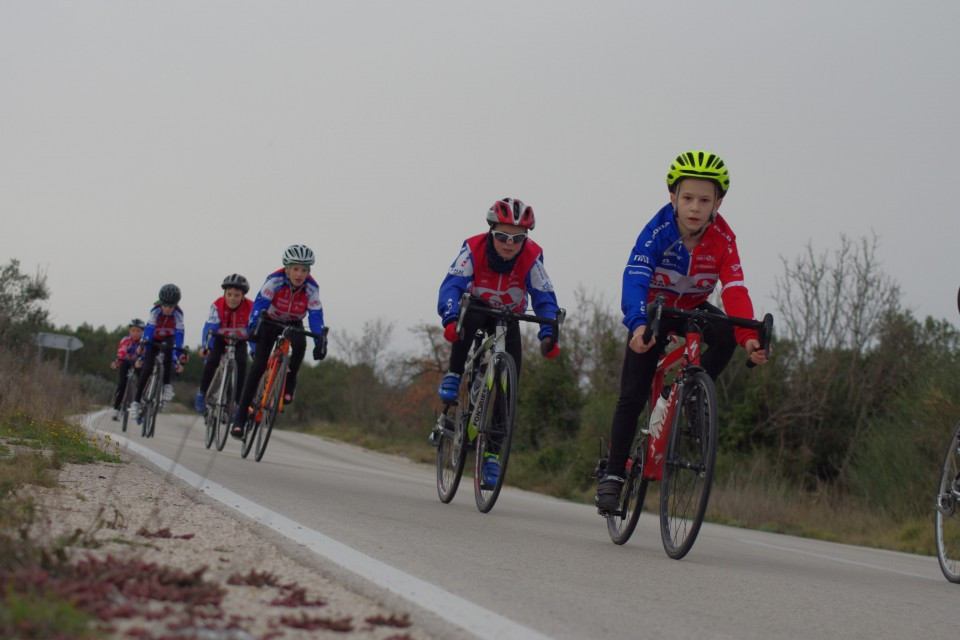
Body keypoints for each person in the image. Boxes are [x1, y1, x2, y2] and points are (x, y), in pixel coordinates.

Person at [594, 150, 769, 512]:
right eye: (687, 198)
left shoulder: (724, 238)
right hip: (655, 310)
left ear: (718, 203)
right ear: (673, 197)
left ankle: (689, 392)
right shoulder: (656, 231)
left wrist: (748, 338)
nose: (694, 207)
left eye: (704, 200)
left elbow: (734, 290)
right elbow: (635, 278)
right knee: (632, 393)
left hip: (693, 308)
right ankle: (613, 475)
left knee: (726, 332)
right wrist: (638, 324)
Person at [436, 197, 561, 487]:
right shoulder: (473, 248)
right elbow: (451, 285)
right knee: (469, 314)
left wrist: (548, 335)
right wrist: (450, 319)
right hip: (477, 310)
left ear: (526, 238)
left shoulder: (532, 256)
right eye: (503, 236)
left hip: (507, 317)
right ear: (491, 231)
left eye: (518, 238)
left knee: (509, 387)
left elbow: (545, 298)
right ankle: (454, 373)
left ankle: (492, 456)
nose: (509, 244)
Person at [231, 244, 327, 438]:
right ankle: (240, 418)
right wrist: (253, 327)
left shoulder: (312, 288)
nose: (299, 274)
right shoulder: (274, 281)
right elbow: (259, 305)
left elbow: (316, 315)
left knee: (300, 344)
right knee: (258, 367)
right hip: (270, 321)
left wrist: (320, 342)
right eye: (295, 269)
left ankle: (290, 378)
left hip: (293, 322)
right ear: (287, 268)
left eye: (304, 270)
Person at [193, 274, 253, 414]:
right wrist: (206, 347)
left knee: (241, 363)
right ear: (224, 294)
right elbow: (210, 327)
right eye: (229, 294)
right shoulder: (217, 305)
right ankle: (202, 393)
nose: (232, 298)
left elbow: (254, 331)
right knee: (212, 360)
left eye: (237, 295)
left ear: (243, 296)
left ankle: (237, 402)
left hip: (239, 341)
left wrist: (255, 350)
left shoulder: (251, 307)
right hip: (220, 339)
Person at [129, 284, 187, 420]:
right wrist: (143, 344)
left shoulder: (178, 313)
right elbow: (149, 328)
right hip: (154, 338)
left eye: (171, 306)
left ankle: (166, 385)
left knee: (169, 356)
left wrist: (180, 351)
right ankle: (136, 402)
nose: (168, 309)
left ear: (176, 305)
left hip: (168, 338)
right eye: (165, 305)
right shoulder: (155, 310)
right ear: (161, 302)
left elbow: (179, 332)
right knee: (147, 368)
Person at [110, 318, 145, 420]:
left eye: (138, 331)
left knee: (142, 379)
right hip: (126, 362)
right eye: (133, 330)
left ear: (142, 332)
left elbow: (146, 354)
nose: (135, 333)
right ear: (129, 331)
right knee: (122, 383)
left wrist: (140, 361)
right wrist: (117, 363)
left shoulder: (144, 342)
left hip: (139, 363)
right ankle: (116, 409)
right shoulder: (125, 340)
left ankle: (140, 399)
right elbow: (121, 352)